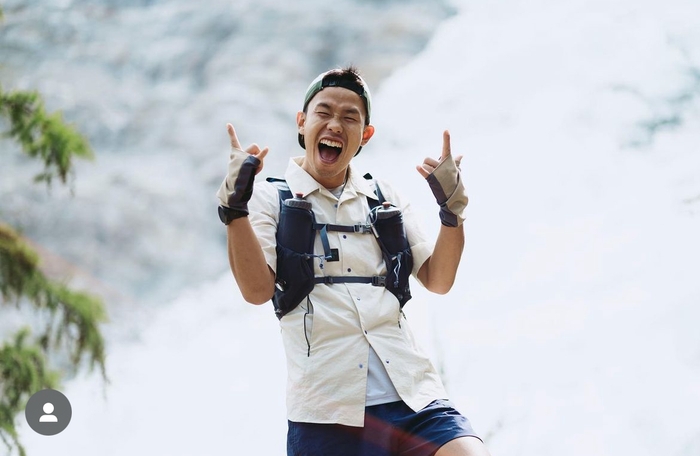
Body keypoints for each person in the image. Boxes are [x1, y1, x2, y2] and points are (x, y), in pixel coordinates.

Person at [217, 66, 490, 456]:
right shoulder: (267, 198)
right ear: (302, 122)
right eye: (324, 112)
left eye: (349, 117)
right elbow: (257, 290)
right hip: (326, 415)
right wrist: (235, 210)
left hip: (414, 397)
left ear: (365, 134)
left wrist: (452, 212)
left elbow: (439, 279)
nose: (335, 124)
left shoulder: (384, 196)